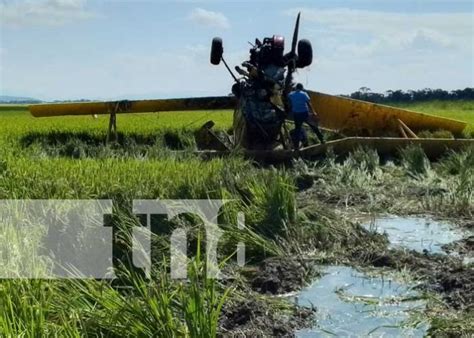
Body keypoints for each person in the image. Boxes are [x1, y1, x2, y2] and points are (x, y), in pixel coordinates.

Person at [288, 83, 325, 148]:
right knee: (314, 127)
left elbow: (288, 100)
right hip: (305, 113)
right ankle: (322, 140)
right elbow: (309, 103)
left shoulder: (291, 94)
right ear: (301, 88)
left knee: (297, 130)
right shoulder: (304, 94)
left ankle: (296, 147)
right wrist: (314, 112)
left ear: (296, 88)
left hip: (296, 114)